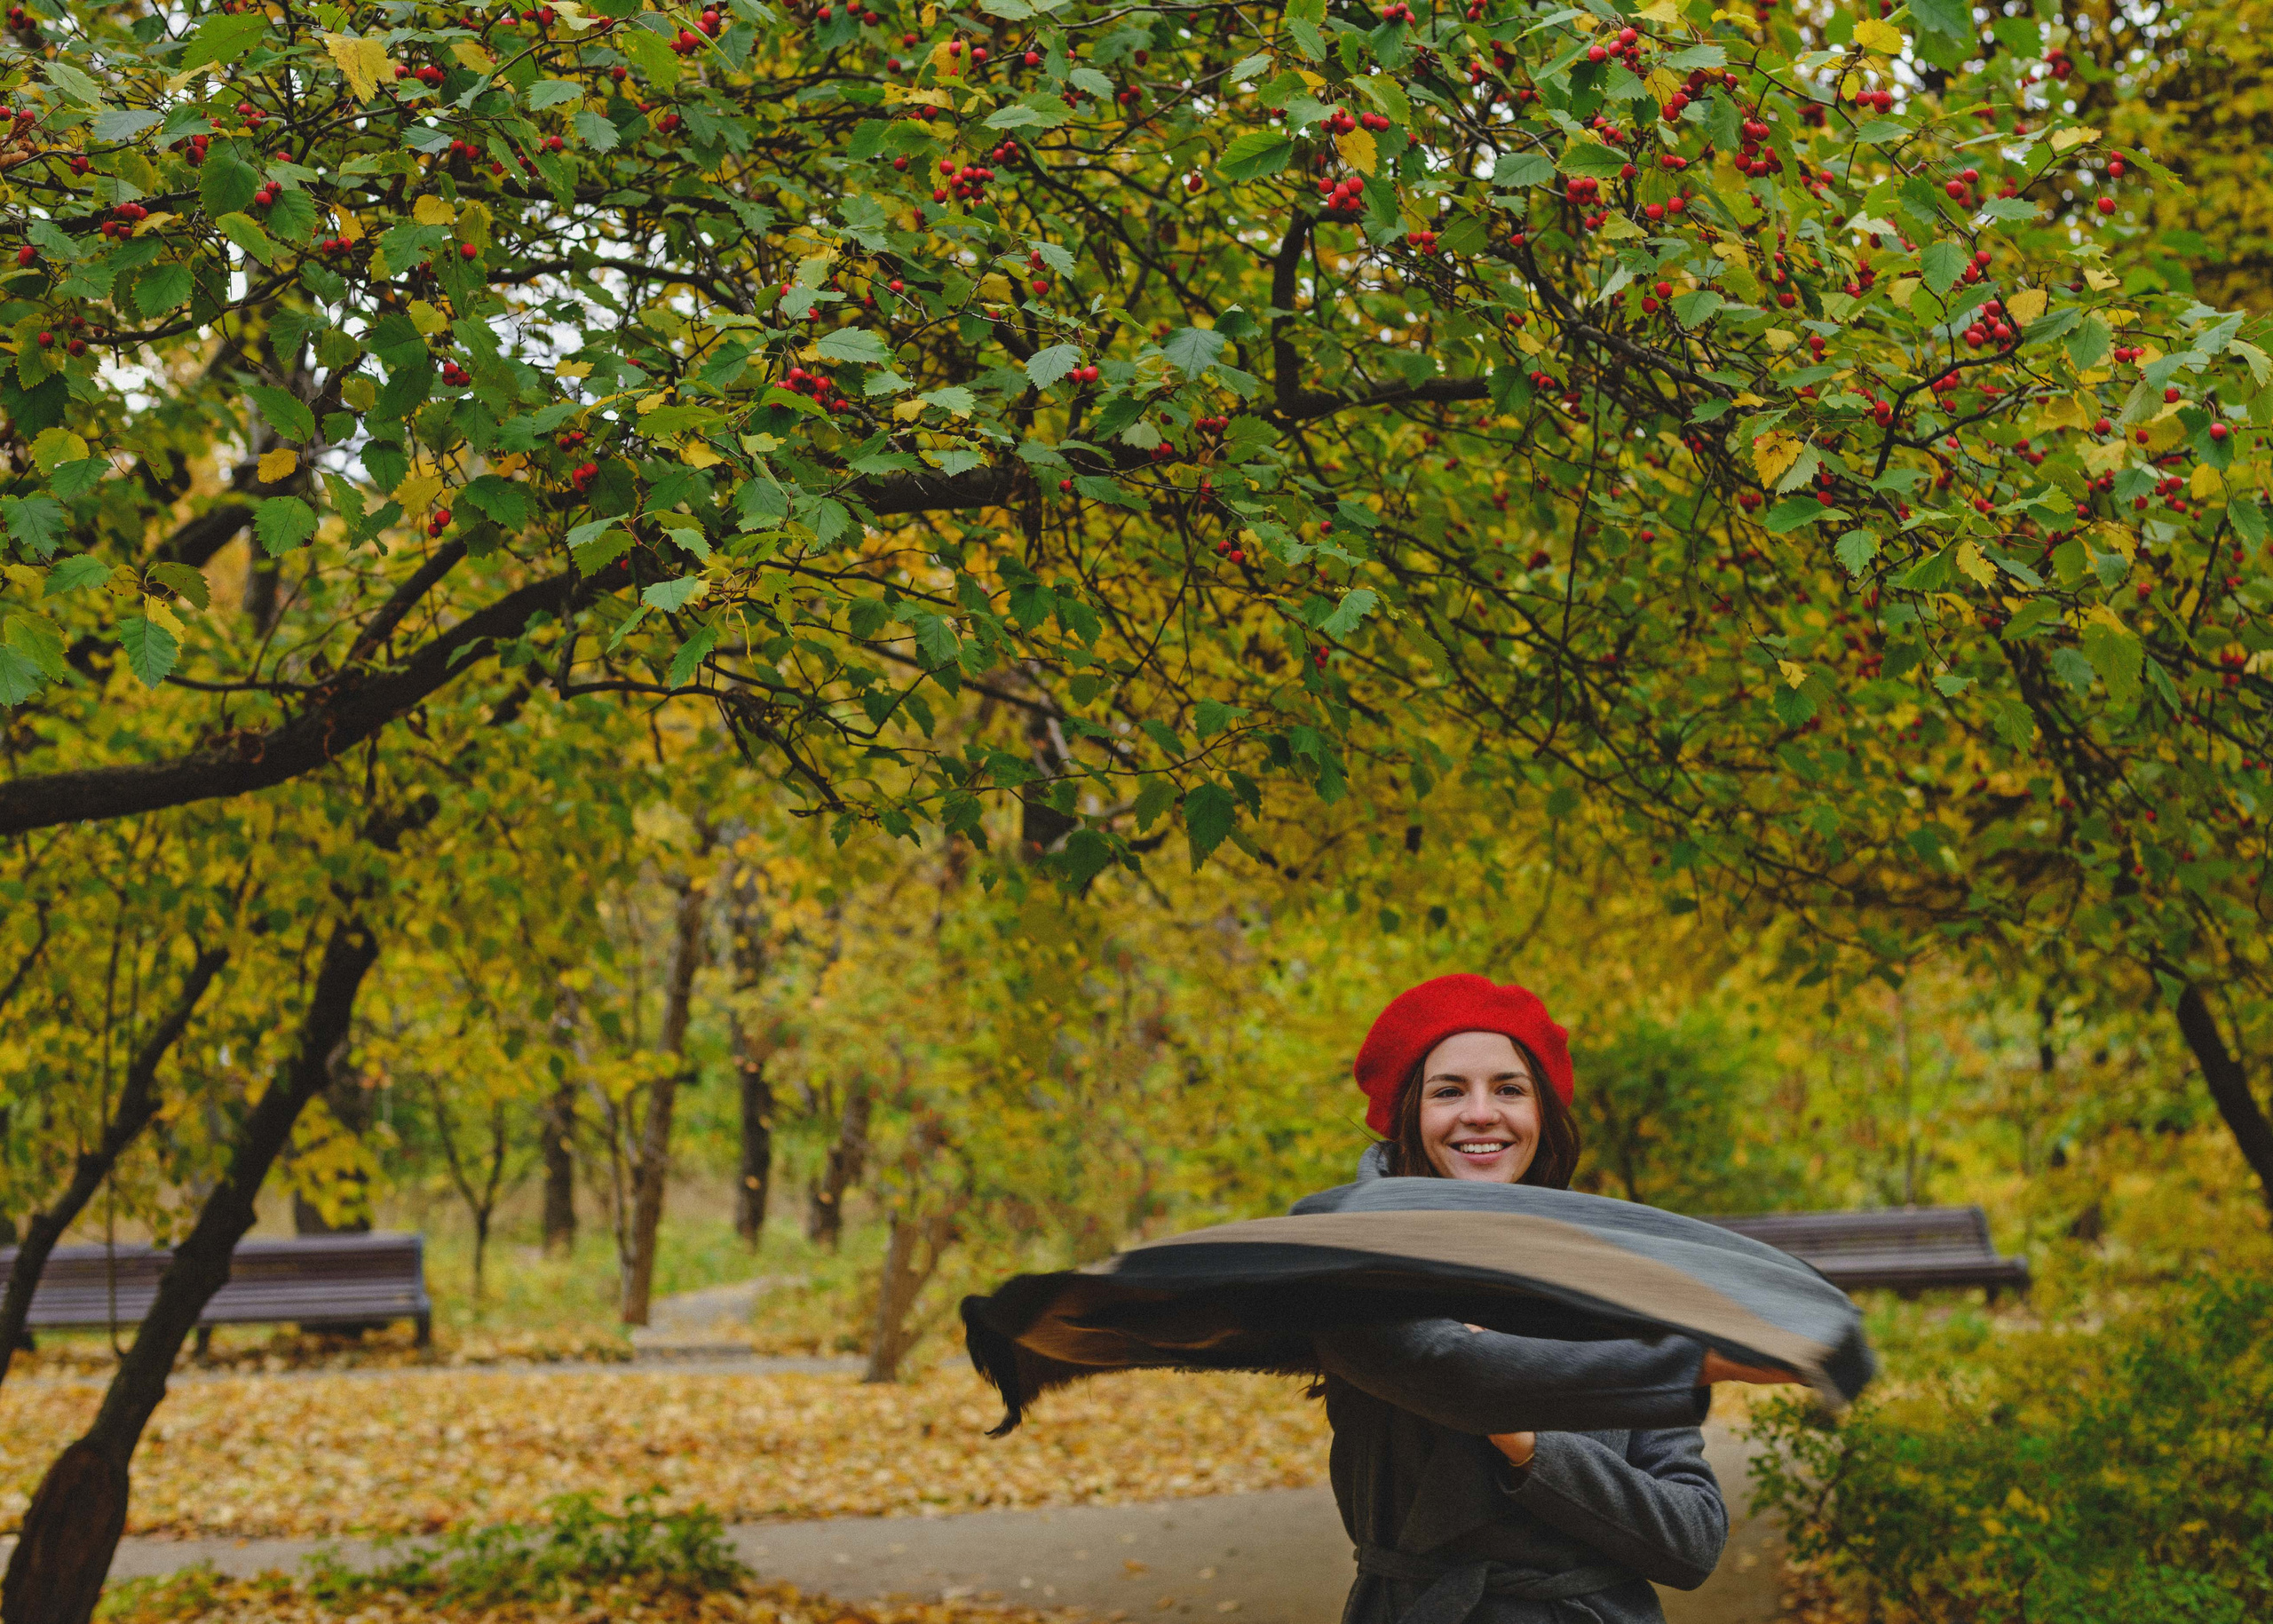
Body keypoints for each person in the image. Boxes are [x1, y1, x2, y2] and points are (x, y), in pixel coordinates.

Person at [1313, 974, 1800, 1624]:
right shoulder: (1349, 1265)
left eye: (1509, 1088)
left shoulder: (1618, 1278)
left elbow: (1694, 1540)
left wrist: (1531, 1442)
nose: (1481, 1112)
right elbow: (1426, 1359)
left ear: (1540, 1113)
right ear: (1410, 1114)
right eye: (1449, 1090)